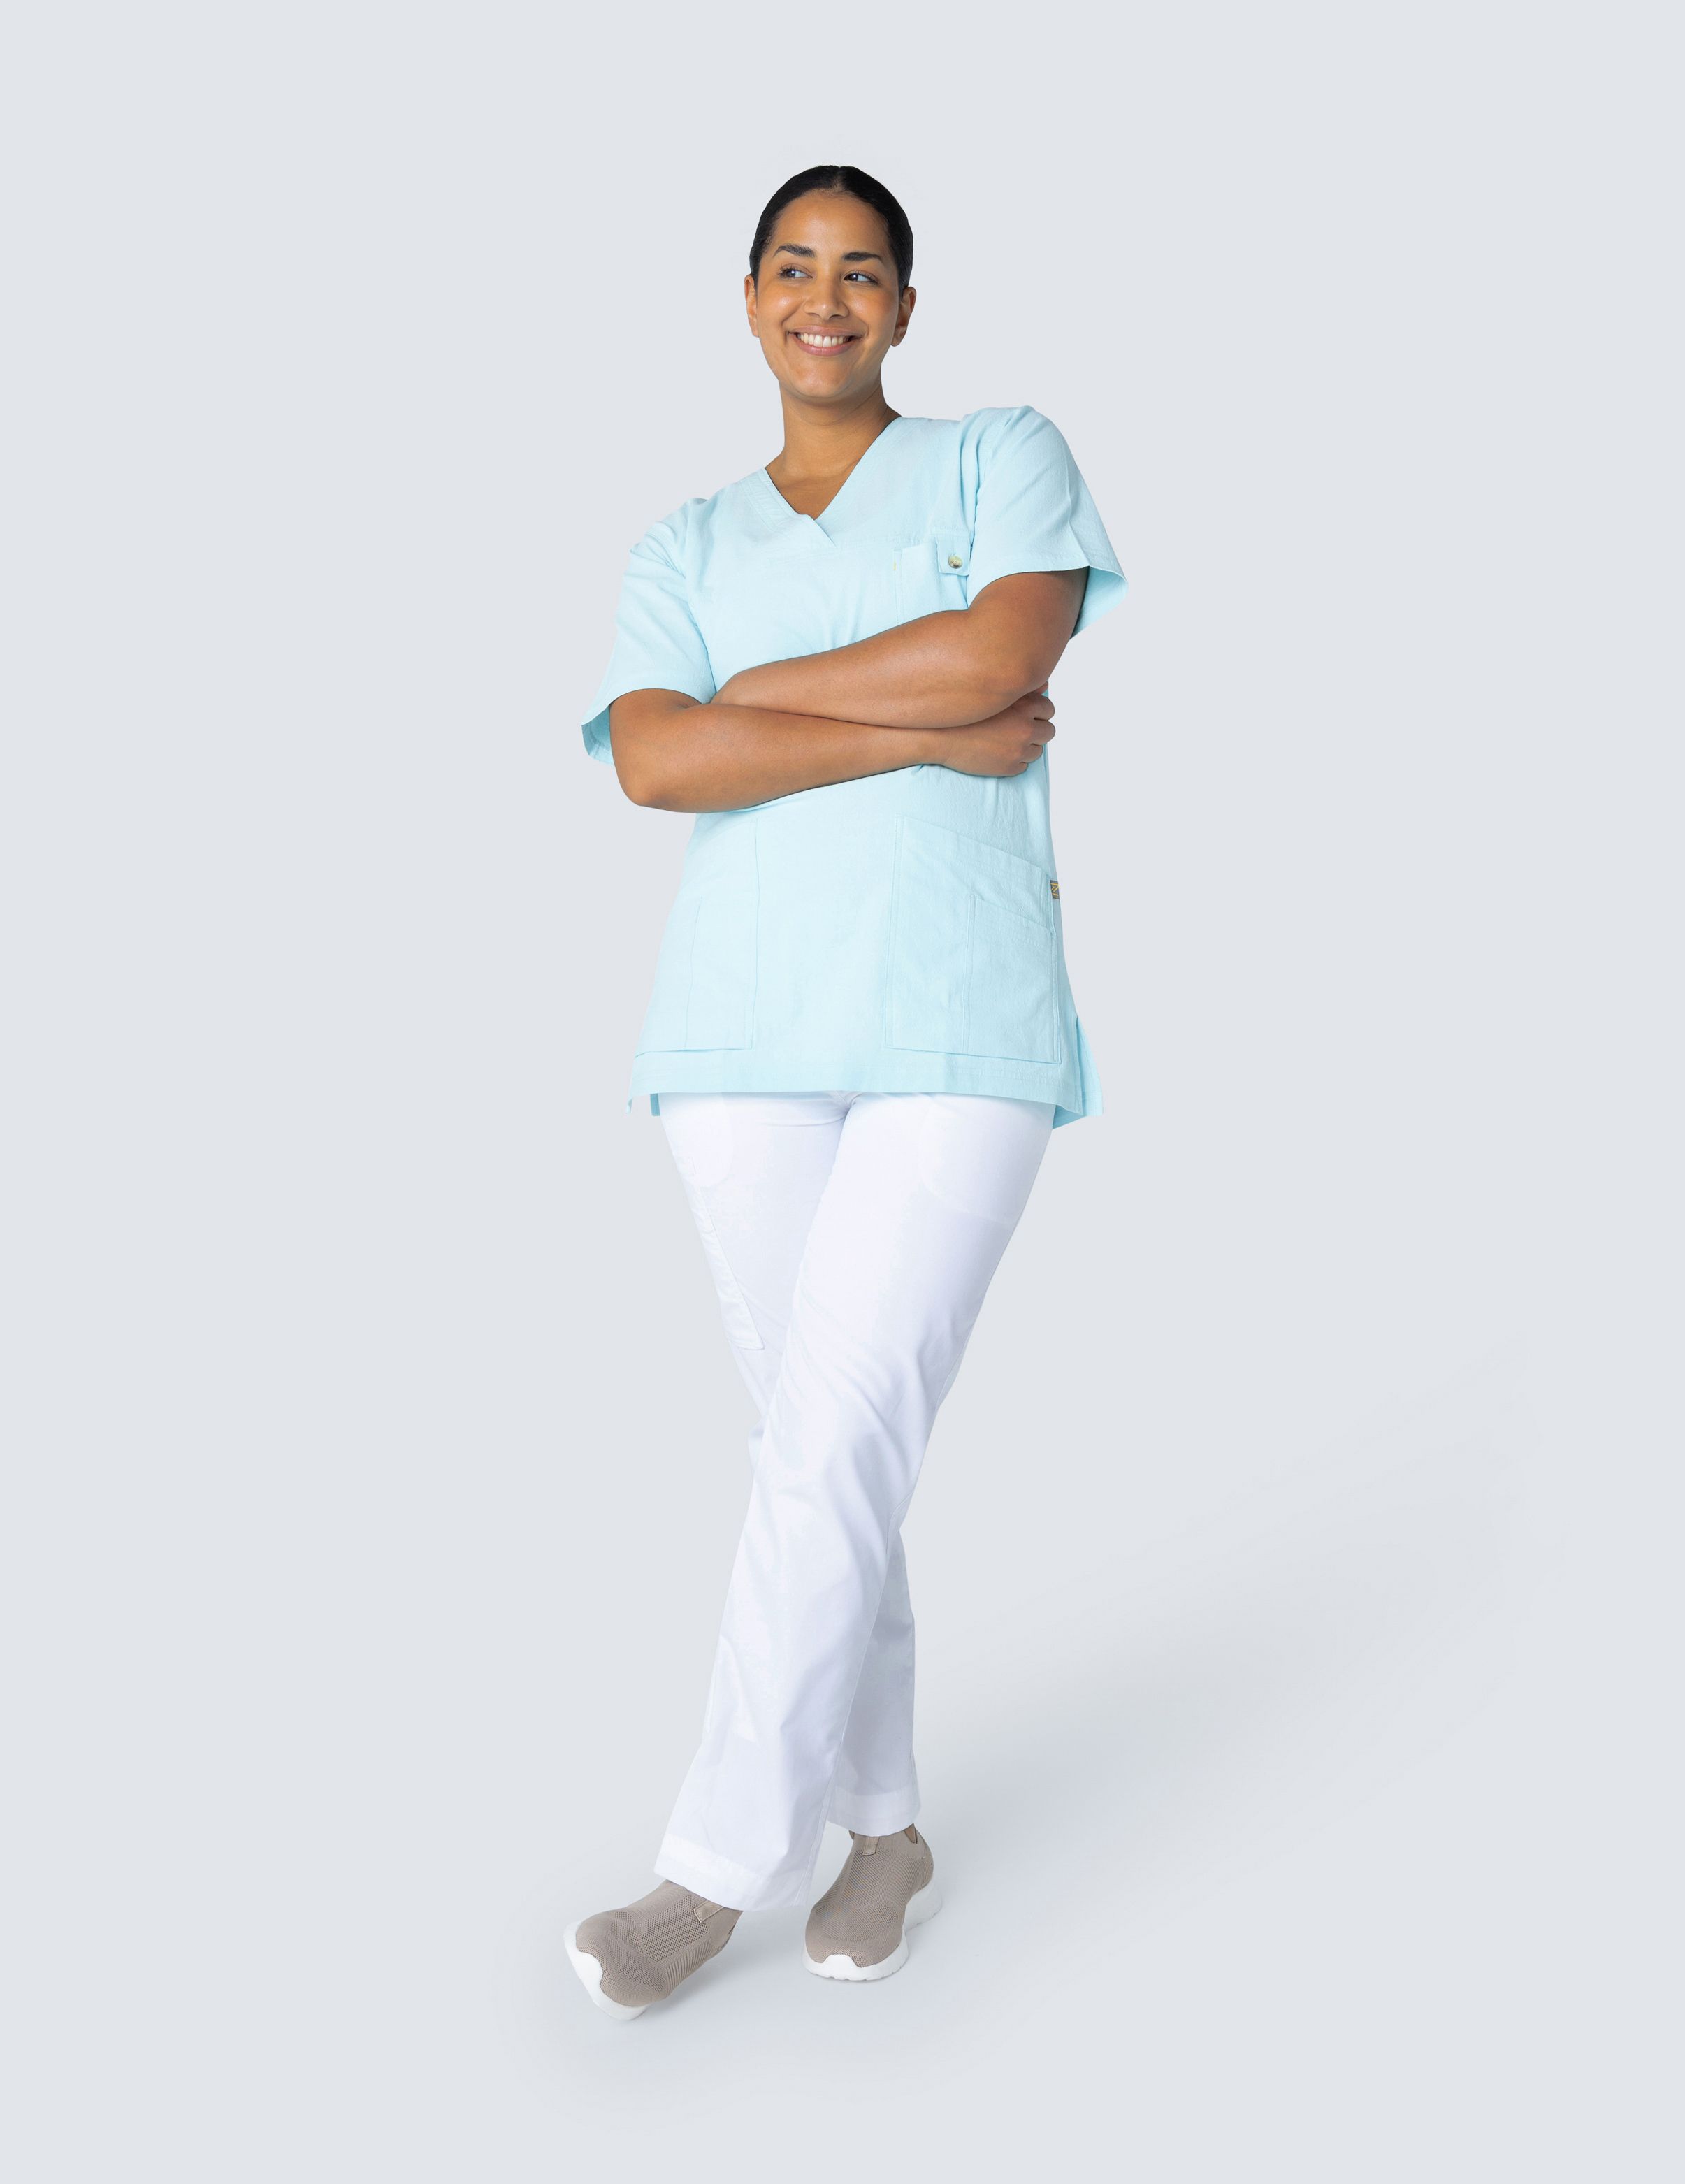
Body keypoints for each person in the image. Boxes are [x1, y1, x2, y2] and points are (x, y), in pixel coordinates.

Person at [566, 165, 1126, 2019]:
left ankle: (708, 1870)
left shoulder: (998, 460)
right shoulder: (683, 541)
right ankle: (882, 1826)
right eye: (793, 268)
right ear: (749, 299)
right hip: (735, 1038)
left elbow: (1003, 652)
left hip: (960, 1022)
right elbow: (657, 763)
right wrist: (919, 721)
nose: (827, 298)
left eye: (862, 270)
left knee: (833, 1439)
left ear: (904, 305)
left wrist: (772, 704)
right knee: (824, 1446)